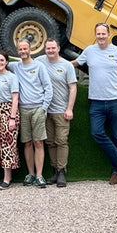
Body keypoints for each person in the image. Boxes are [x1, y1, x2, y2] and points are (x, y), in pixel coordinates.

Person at [0, 41, 52, 188]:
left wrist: (43, 107)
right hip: (23, 109)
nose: (23, 51)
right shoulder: (15, 66)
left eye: (25, 49)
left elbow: (48, 88)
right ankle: (30, 174)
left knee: (38, 142)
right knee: (27, 143)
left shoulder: (39, 66)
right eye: (20, 49)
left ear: (30, 50)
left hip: (38, 107)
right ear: (18, 51)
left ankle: (39, 176)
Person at [74, 22, 117, 185]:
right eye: (98, 34)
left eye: (103, 34)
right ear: (95, 35)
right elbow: (75, 63)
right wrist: (55, 62)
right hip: (97, 102)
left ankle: (116, 172)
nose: (101, 36)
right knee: (96, 133)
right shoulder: (89, 51)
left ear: (108, 35)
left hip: (115, 100)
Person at [37, 38, 77, 188]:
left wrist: (69, 108)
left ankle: (62, 171)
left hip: (61, 110)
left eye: (53, 48)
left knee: (61, 141)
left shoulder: (67, 66)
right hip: (46, 110)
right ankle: (54, 171)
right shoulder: (40, 61)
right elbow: (24, 63)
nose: (50, 51)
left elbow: (73, 88)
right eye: (48, 48)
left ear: (58, 48)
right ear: (45, 49)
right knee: (50, 142)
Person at [0, 51, 20, 189]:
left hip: (8, 111)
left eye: (2, 60)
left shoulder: (12, 77)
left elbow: (15, 98)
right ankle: (5, 176)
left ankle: (7, 179)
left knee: (8, 144)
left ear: (7, 62)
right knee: (0, 144)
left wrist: (12, 118)